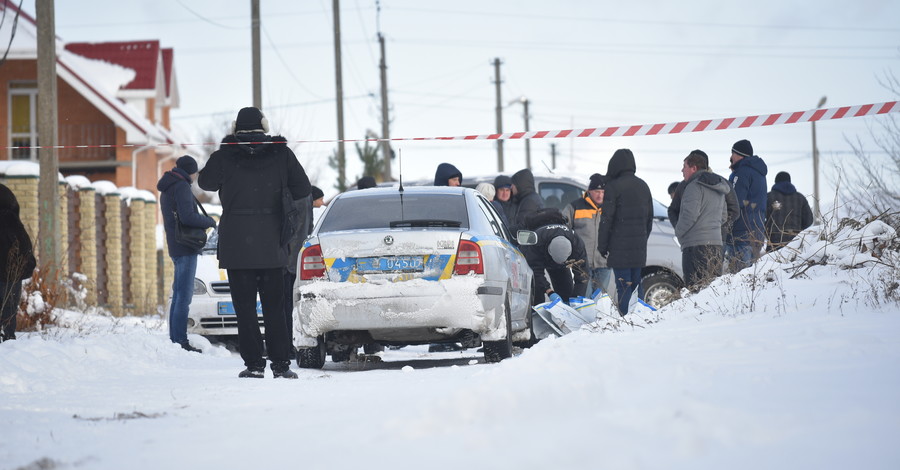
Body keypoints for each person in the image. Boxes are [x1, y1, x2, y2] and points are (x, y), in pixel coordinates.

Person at [198, 106, 310, 379]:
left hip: (237, 244)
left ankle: (253, 365)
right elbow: (303, 188)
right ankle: (281, 365)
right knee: (274, 308)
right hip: (272, 242)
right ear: (264, 126)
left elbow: (205, 183)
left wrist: (228, 156)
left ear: (236, 129)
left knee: (245, 309)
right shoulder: (281, 153)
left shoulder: (225, 156)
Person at [157, 156, 217, 353]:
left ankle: (175, 338)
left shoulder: (168, 186)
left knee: (179, 294)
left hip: (176, 245)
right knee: (184, 296)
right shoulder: (181, 186)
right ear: (191, 171)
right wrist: (209, 222)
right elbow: (187, 216)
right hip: (185, 246)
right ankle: (181, 341)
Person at [596, 149, 654, 316]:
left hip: (619, 247)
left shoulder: (613, 187)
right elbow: (649, 219)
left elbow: (606, 219)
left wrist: (603, 246)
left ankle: (627, 321)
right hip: (638, 247)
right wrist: (643, 239)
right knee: (637, 285)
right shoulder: (643, 186)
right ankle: (641, 318)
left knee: (623, 286)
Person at [674, 150, 731, 292]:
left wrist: (678, 233)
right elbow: (724, 216)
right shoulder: (719, 187)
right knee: (712, 293)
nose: (682, 170)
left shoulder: (693, 187)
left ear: (694, 168)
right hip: (716, 246)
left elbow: (689, 215)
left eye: (684, 166)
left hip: (695, 247)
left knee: (695, 292)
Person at [522, 208, 589, 304]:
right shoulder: (536, 241)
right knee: (537, 291)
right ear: (549, 251)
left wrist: (576, 299)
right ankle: (535, 312)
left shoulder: (577, 244)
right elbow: (535, 271)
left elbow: (583, 275)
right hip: (540, 254)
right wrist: (549, 291)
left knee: (566, 292)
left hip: (561, 264)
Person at [562, 173, 611, 297]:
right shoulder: (575, 207)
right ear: (589, 191)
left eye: (603, 192)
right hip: (582, 263)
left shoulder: (611, 208)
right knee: (585, 298)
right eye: (597, 191)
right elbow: (563, 230)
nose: (600, 195)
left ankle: (599, 317)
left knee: (600, 300)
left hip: (604, 262)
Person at [0, 183, 36, 342]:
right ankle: (7, 342)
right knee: (8, 316)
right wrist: (23, 269)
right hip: (10, 276)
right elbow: (25, 248)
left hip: (9, 275)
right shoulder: (11, 220)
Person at [726, 139, 768, 272]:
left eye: (732, 153)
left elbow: (734, 202)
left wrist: (726, 225)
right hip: (757, 232)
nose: (731, 157)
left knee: (739, 280)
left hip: (741, 233)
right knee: (750, 279)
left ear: (739, 154)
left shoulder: (741, 172)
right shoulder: (759, 173)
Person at [766, 171, 814, 252]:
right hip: (795, 240)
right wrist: (798, 230)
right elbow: (809, 220)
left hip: (775, 240)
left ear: (776, 182)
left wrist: (767, 231)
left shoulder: (769, 197)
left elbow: (760, 216)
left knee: (773, 263)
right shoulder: (800, 198)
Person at [510, 168, 544, 233]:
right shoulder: (529, 198)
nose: (511, 187)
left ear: (520, 185)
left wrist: (506, 231)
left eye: (513, 184)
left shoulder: (529, 201)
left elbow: (523, 228)